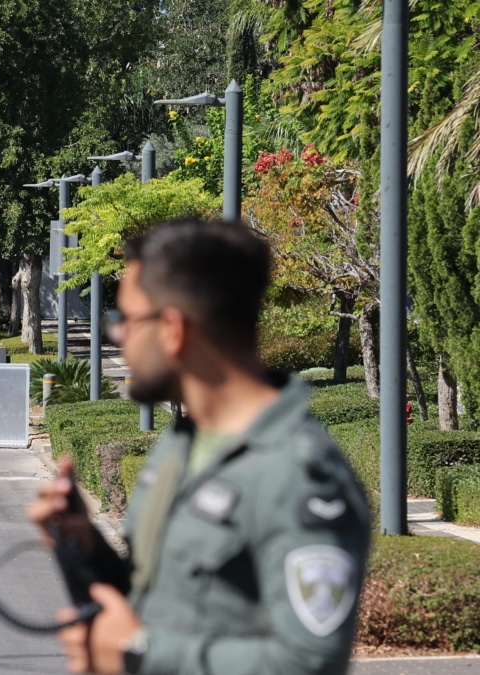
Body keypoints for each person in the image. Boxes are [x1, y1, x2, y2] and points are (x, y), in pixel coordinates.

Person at [27, 219, 370, 675]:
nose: (118, 337)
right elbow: (155, 602)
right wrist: (85, 546)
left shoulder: (300, 474)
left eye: (125, 320)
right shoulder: (182, 443)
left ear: (172, 329)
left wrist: (137, 653)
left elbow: (309, 662)